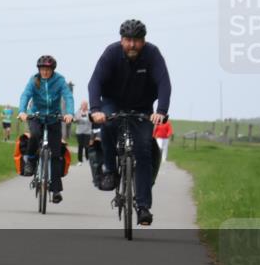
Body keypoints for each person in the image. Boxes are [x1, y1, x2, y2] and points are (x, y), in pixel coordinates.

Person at [89, 19, 172, 227]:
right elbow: (95, 82)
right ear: (121, 40)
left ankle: (143, 206)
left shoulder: (152, 54)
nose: (132, 45)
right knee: (107, 125)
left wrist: (161, 111)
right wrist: (95, 109)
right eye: (128, 40)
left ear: (143, 41)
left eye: (136, 41)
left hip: (142, 107)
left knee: (143, 150)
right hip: (112, 103)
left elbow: (164, 83)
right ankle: (109, 170)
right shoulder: (111, 53)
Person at [17, 56, 74, 204]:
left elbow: (68, 96)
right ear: (39, 69)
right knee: (35, 134)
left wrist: (69, 113)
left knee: (55, 155)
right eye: (42, 69)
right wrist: (22, 111)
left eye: (48, 70)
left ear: (52, 70)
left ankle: (56, 191)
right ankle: (30, 160)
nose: (45, 72)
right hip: (37, 116)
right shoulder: (34, 80)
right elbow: (25, 95)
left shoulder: (59, 80)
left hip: (54, 118)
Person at [74, 100, 92, 164]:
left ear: (87, 106)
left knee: (87, 146)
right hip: (79, 132)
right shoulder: (78, 112)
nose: (84, 106)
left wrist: (87, 114)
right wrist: (77, 118)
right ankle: (80, 160)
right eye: (83, 105)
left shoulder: (89, 112)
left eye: (85, 105)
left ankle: (87, 157)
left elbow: (92, 120)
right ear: (81, 106)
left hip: (87, 132)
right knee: (80, 146)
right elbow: (74, 120)